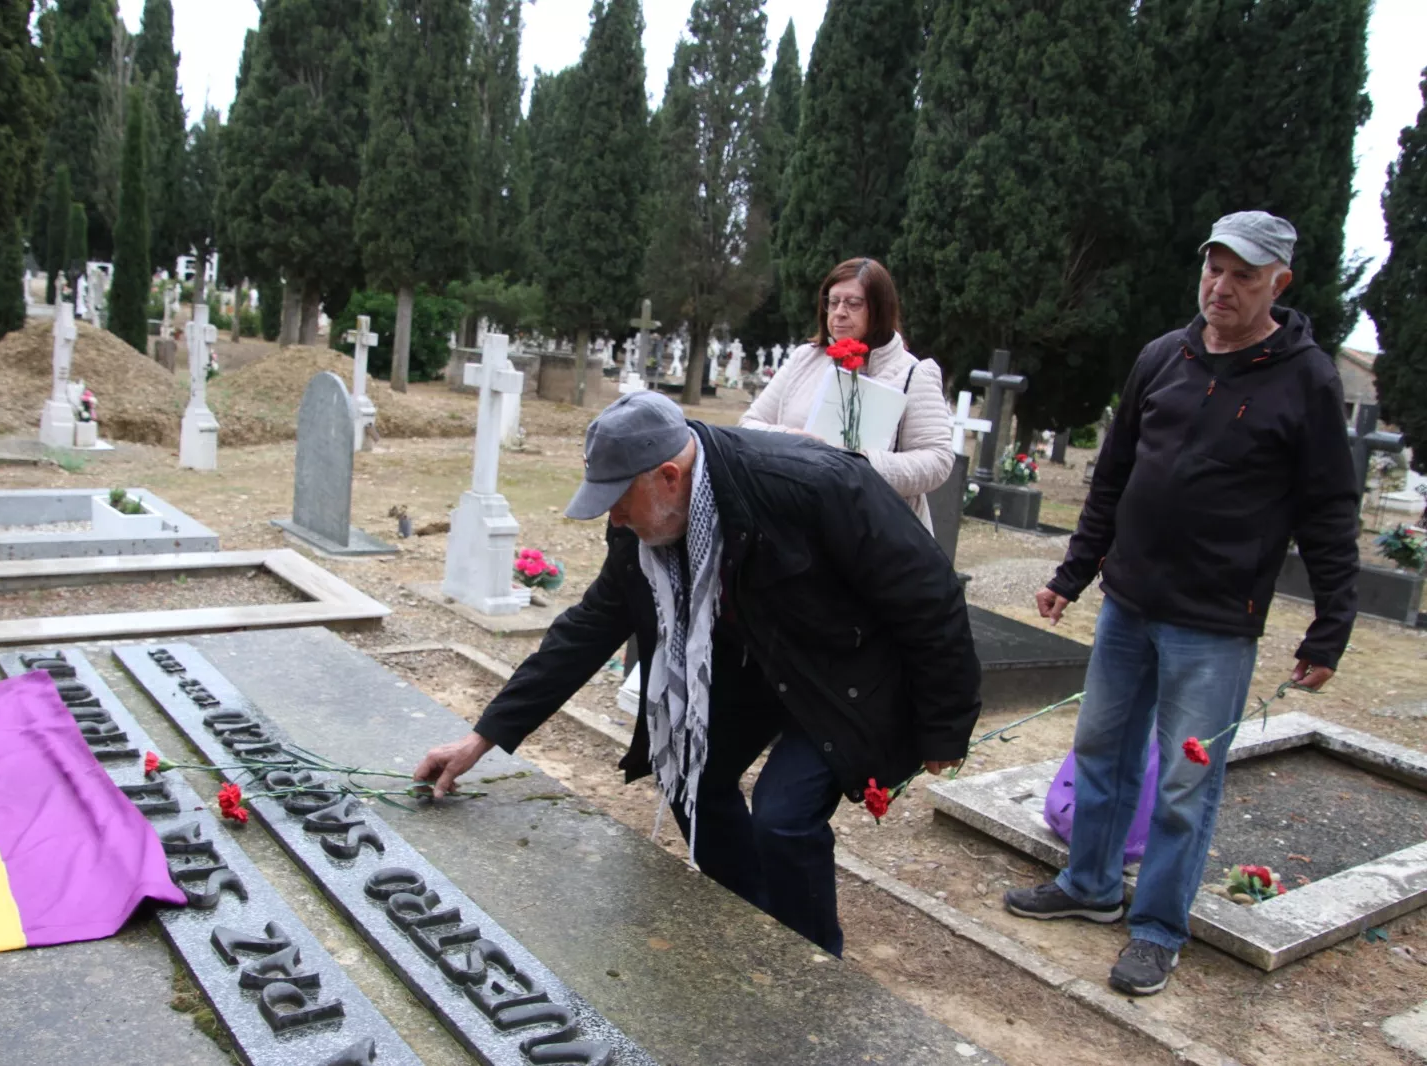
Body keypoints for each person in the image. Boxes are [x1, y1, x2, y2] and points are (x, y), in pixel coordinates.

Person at [415, 390, 982, 956]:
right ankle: (751, 916)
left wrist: (944, 726)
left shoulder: (812, 483)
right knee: (688, 771)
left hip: (845, 672)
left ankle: (812, 964)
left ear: (667, 476)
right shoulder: (644, 525)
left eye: (619, 500)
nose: (614, 516)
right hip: (755, 660)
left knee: (783, 816)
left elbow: (929, 594)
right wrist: (482, 738)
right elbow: (588, 628)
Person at [1004, 211, 1360, 996]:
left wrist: (1330, 627)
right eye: (1214, 268)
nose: (1222, 287)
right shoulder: (1164, 356)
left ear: (1279, 282)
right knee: (1102, 751)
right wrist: (1072, 574)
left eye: (1243, 274)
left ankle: (1158, 927)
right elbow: (1114, 476)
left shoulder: (1306, 378)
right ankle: (1090, 883)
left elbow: (1330, 511)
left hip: (1214, 623)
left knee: (1184, 785)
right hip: (1129, 602)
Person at [739, 257, 952, 532]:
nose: (839, 312)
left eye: (853, 304)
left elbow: (937, 459)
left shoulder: (913, 374)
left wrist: (862, 463)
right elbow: (748, 425)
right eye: (833, 301)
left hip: (874, 533)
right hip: (797, 524)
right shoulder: (804, 359)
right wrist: (791, 441)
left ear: (879, 310)